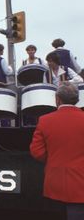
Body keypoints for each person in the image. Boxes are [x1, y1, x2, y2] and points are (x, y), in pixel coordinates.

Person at [30, 82, 84, 219]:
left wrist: (54, 159)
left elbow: (36, 152)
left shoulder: (45, 120)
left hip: (54, 185)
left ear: (57, 99)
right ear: (77, 99)